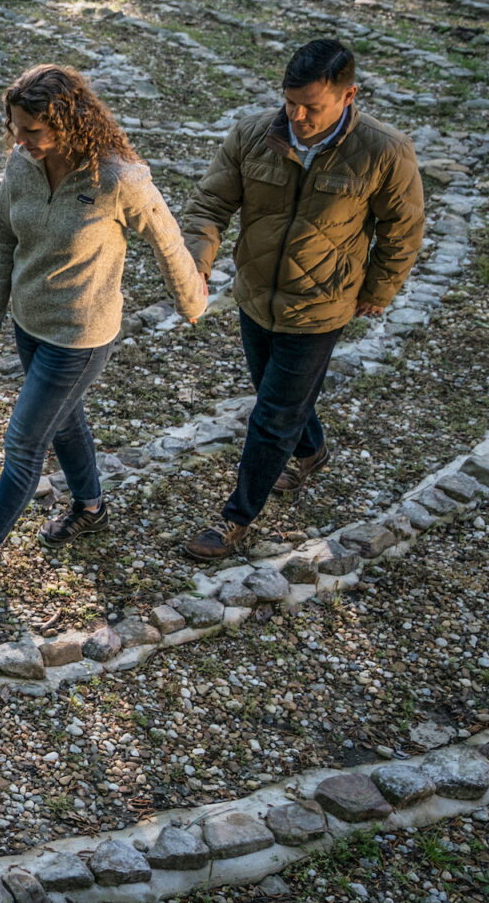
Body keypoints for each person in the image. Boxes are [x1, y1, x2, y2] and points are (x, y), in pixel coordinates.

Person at [0, 65, 208, 587]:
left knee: (25, 442)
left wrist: (191, 300)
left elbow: (166, 238)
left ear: (70, 121)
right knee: (67, 421)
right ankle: (91, 508)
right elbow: (2, 239)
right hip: (28, 322)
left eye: (33, 130)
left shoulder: (117, 177)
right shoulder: (21, 164)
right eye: (15, 128)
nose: (21, 140)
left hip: (80, 335)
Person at [179, 38, 426, 560]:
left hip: (321, 308)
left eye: (311, 106)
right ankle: (312, 451)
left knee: (271, 415)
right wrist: (195, 262)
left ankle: (235, 518)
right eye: (290, 102)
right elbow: (209, 202)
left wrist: (377, 290)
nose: (297, 115)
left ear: (348, 95)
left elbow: (402, 231)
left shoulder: (384, 150)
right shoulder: (253, 135)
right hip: (254, 296)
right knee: (279, 394)